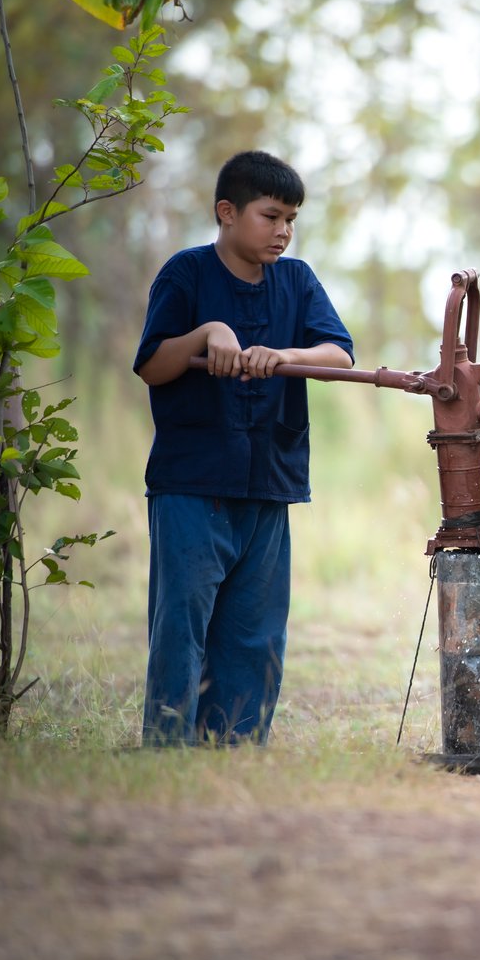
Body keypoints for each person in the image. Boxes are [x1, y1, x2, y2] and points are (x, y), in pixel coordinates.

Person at [132, 150, 355, 746]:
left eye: (291, 219)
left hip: (269, 483)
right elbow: (153, 365)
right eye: (271, 215)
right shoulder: (187, 274)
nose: (283, 230)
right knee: (182, 624)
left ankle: (233, 753)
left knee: (254, 634)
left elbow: (338, 355)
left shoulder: (298, 280)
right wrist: (210, 333)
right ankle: (169, 750)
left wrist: (284, 355)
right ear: (226, 213)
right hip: (192, 485)